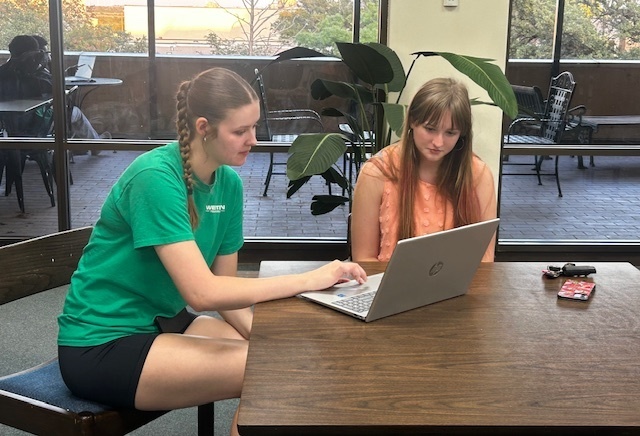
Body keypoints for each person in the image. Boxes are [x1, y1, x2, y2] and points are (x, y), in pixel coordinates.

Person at [56, 67, 367, 436]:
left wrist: (258, 332)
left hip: (165, 321)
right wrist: (310, 279)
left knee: (279, 353)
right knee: (272, 368)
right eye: (239, 131)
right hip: (102, 343)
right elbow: (202, 294)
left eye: (254, 127)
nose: (253, 139)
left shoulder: (229, 184)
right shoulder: (155, 178)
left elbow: (225, 289)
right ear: (203, 127)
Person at [350, 77, 497, 262]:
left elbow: (485, 260)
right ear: (412, 120)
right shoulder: (377, 172)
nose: (438, 142)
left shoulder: (478, 174)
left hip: (460, 289)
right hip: (390, 289)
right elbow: (364, 260)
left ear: (462, 134)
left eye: (450, 133)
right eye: (430, 129)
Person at [1, 35, 108, 148]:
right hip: (35, 125)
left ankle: (90, 143)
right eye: (42, 53)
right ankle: (95, 144)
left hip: (12, 125)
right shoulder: (32, 76)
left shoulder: (6, 71)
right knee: (74, 112)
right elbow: (54, 87)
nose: (46, 56)